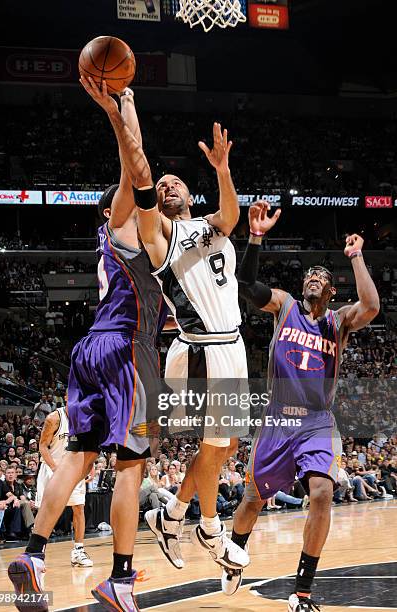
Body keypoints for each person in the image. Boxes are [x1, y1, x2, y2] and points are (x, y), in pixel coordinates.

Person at [8, 77, 167, 612]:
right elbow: (134, 167)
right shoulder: (123, 222)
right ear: (111, 210)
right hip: (124, 351)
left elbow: (136, 164)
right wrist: (115, 114)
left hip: (91, 351)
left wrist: (130, 106)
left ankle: (32, 553)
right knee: (130, 463)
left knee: (77, 456)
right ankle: (119, 579)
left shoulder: (130, 242)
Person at [222, 201, 380, 612]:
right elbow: (247, 287)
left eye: (321, 277)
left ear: (331, 291)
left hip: (316, 423)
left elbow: (372, 306)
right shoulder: (285, 305)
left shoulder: (339, 321)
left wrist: (356, 256)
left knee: (323, 493)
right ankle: (235, 550)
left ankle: (303, 592)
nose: (312, 278)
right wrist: (255, 237)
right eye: (309, 274)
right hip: (277, 419)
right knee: (252, 502)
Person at [135, 123, 249, 571]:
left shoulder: (209, 224)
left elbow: (232, 216)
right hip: (201, 348)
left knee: (225, 446)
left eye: (175, 182)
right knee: (215, 444)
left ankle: (172, 516)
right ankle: (208, 525)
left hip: (232, 343)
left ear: (189, 194)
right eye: (161, 187)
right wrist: (139, 165)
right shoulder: (160, 238)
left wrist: (222, 168)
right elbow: (146, 205)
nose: (168, 187)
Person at [34, 398, 92, 567]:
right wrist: (56, 469)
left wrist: (90, 464)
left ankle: (78, 551)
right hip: (52, 469)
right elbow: (42, 446)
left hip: (73, 468)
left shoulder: (85, 418)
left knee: (79, 508)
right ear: (67, 397)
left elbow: (88, 446)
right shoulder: (54, 418)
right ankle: (37, 553)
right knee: (44, 512)